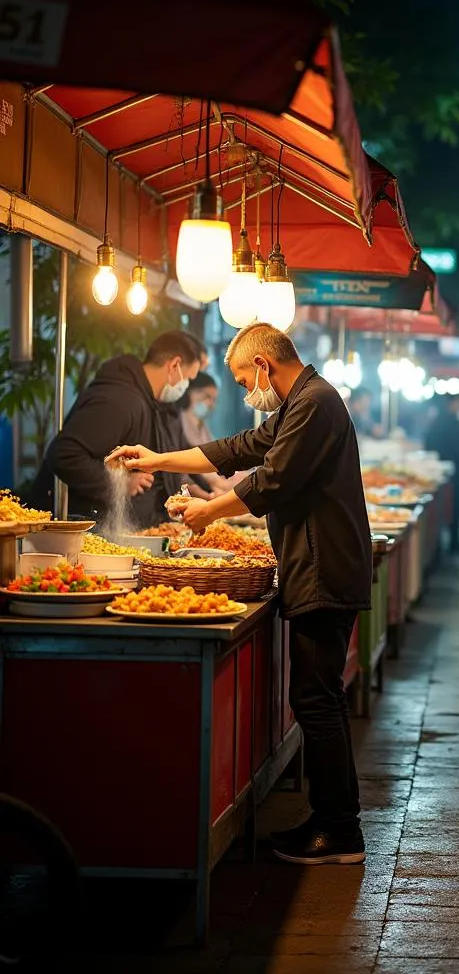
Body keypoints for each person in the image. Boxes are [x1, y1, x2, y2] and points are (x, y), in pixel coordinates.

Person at [108, 322, 372, 865]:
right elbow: (238, 449)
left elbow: (271, 479)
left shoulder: (317, 403)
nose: (245, 392)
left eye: (242, 380)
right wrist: (156, 459)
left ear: (263, 366)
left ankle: (340, 831)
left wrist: (207, 511)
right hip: (317, 569)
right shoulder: (301, 403)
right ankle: (332, 820)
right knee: (318, 699)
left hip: (324, 573)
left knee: (317, 701)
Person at [29, 331, 205, 526]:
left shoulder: (151, 403)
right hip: (88, 528)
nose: (185, 387)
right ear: (174, 365)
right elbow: (64, 454)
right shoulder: (119, 400)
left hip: (138, 530)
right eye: (188, 379)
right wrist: (121, 484)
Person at [424, 392, 459, 554]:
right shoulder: (454, 422)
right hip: (455, 472)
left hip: (442, 471)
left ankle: (451, 543)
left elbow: (429, 444)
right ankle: (454, 543)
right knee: (455, 509)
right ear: (453, 403)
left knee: (450, 509)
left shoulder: (437, 420)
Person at [180, 372, 219, 448]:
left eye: (214, 400)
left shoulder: (203, 427)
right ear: (190, 392)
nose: (211, 404)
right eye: (207, 396)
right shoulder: (176, 422)